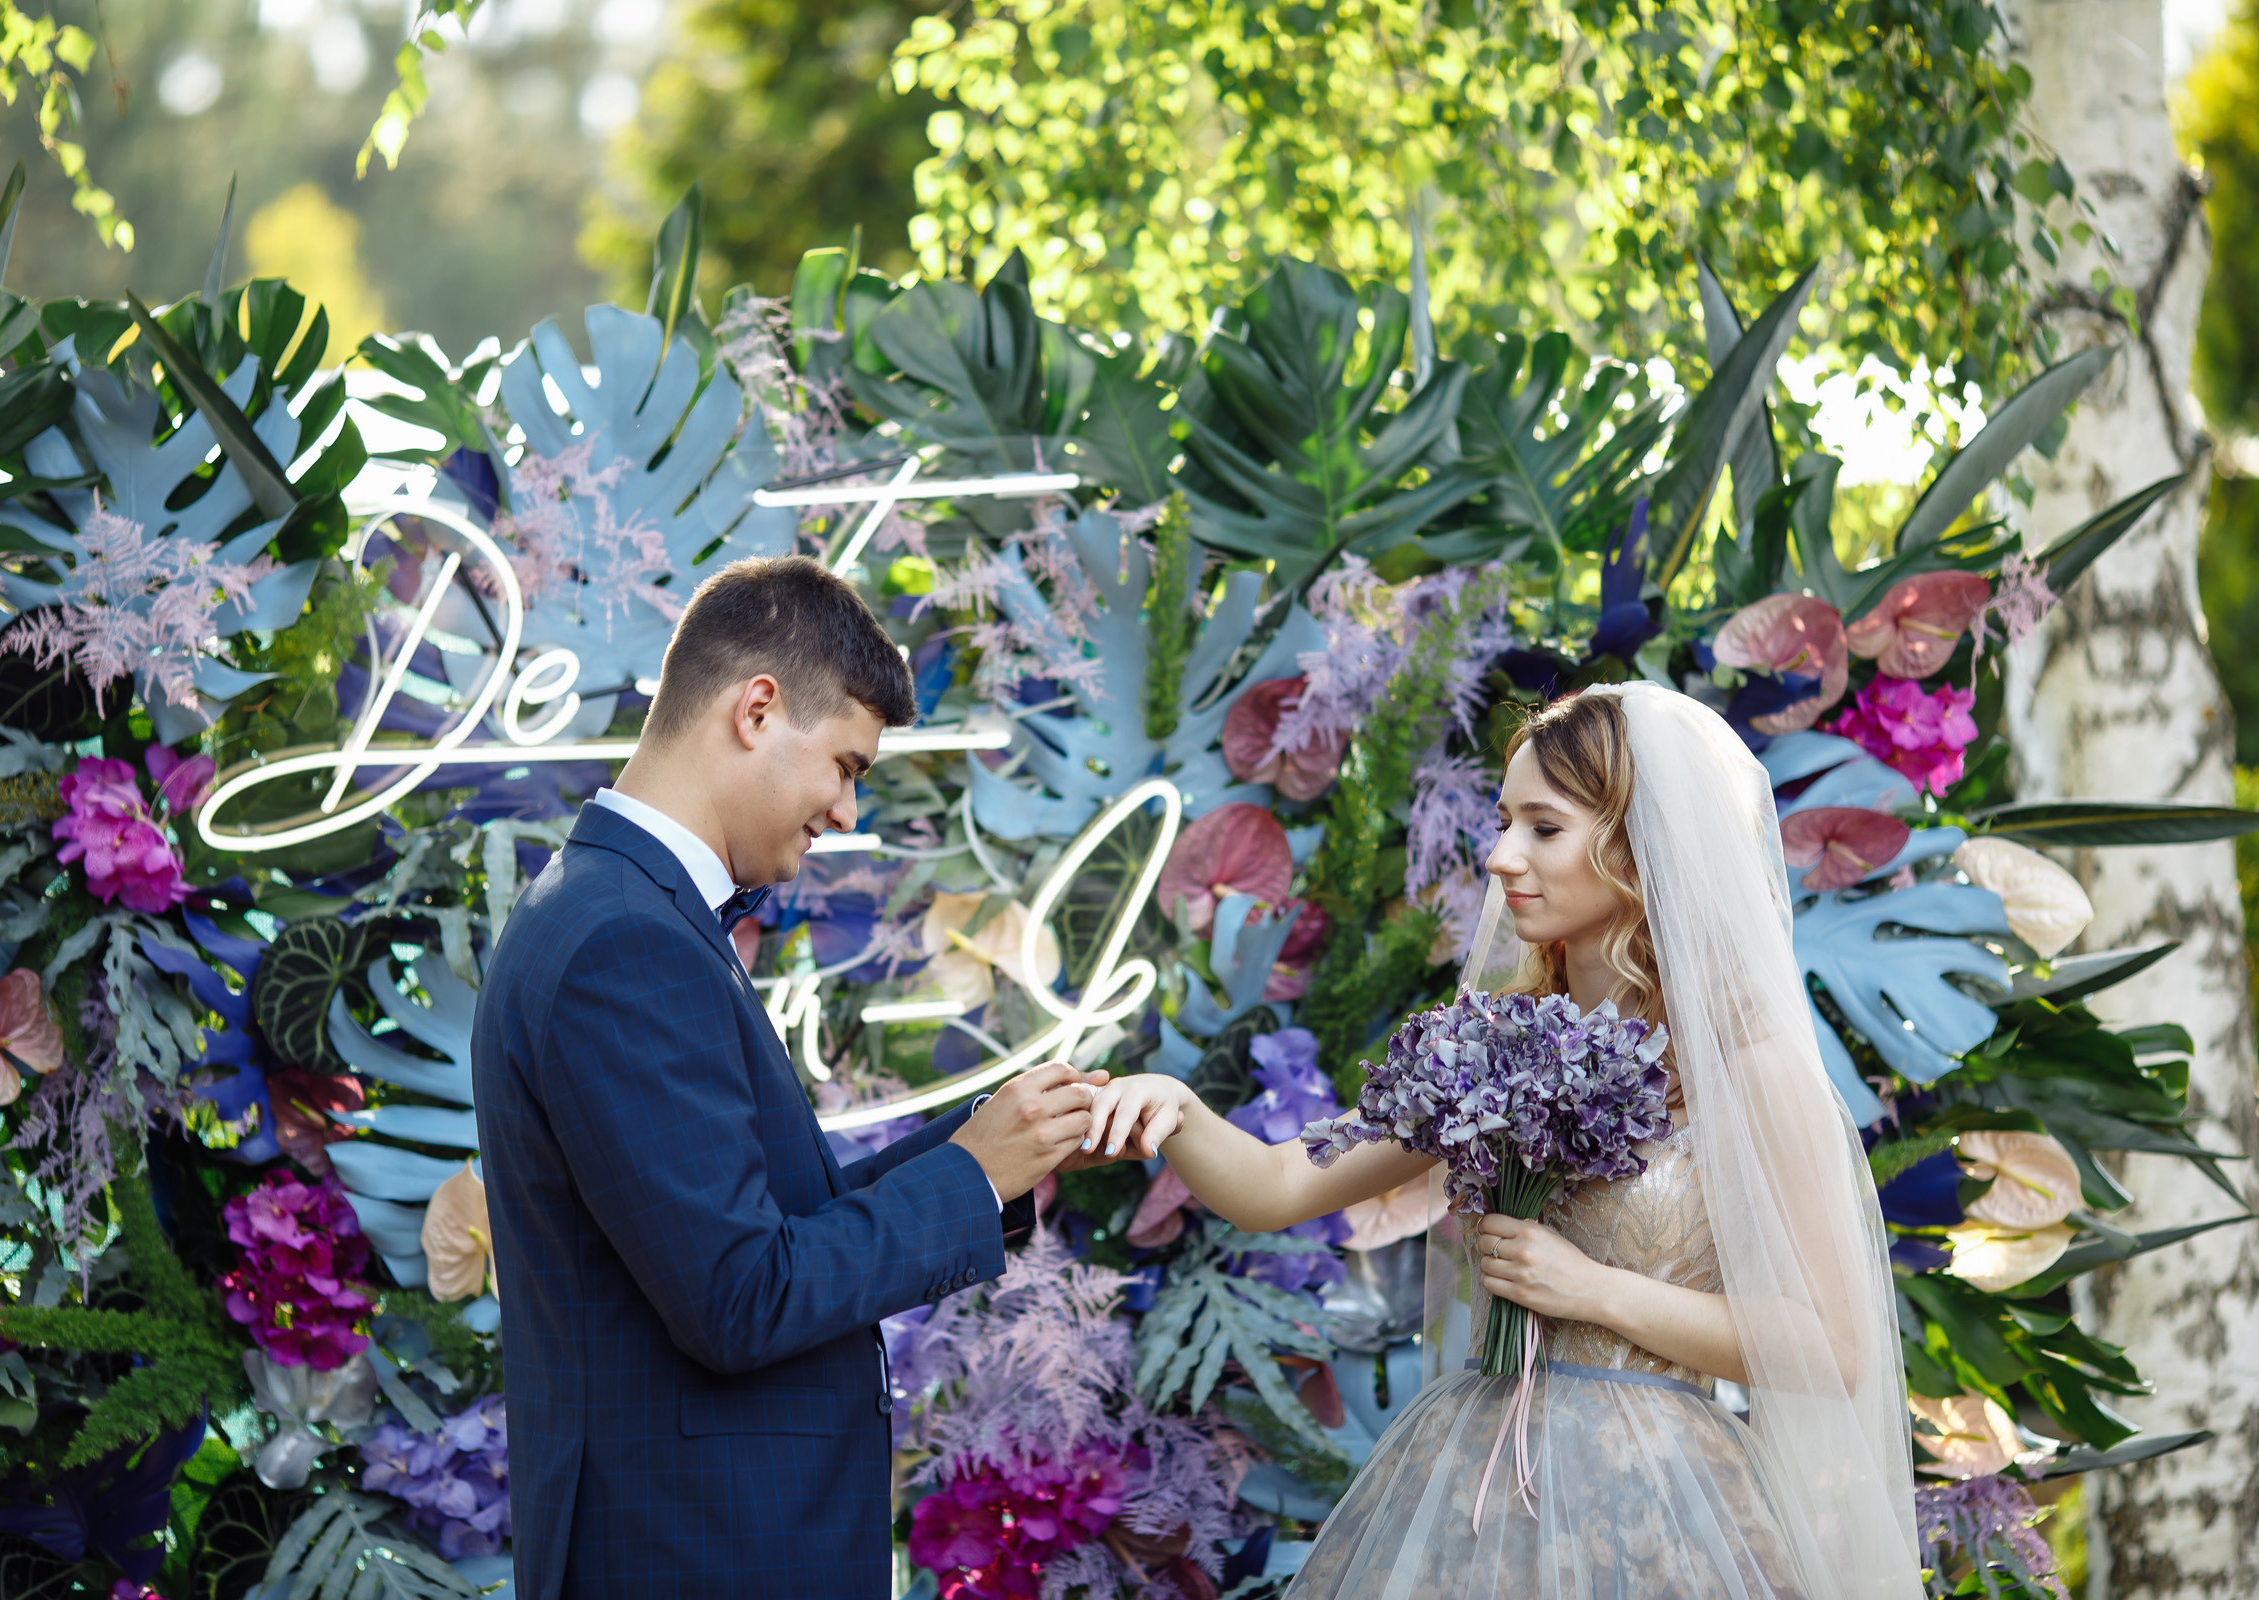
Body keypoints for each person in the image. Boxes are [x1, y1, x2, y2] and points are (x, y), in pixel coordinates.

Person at [1081, 683, 1923, 1598]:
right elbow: (1278, 1187)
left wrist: (1594, 1291)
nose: (1498, 856)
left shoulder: (1746, 1069)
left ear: (1641, 850)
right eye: (1502, 822)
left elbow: (1832, 1349)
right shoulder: (1493, 1046)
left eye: (1543, 828)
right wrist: (1175, 1107)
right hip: (1478, 1496)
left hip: (1663, 1511)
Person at [474, 556, 1108, 1599]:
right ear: (758, 710)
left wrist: (1001, 1142)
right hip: (689, 1553)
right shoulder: (622, 940)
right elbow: (739, 1296)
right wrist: (971, 1179)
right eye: (848, 765)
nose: (849, 810)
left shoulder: (621, 913)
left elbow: (755, 1223)